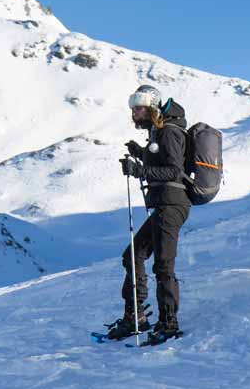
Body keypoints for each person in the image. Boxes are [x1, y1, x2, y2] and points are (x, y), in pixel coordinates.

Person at [105, 85, 190, 342]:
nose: (134, 113)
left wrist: (140, 170)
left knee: (163, 265)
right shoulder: (158, 131)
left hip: (172, 204)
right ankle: (136, 316)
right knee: (132, 256)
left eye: (139, 108)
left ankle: (168, 323)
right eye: (133, 108)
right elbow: (161, 161)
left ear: (152, 107)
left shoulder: (169, 131)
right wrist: (140, 154)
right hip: (164, 203)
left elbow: (174, 170)